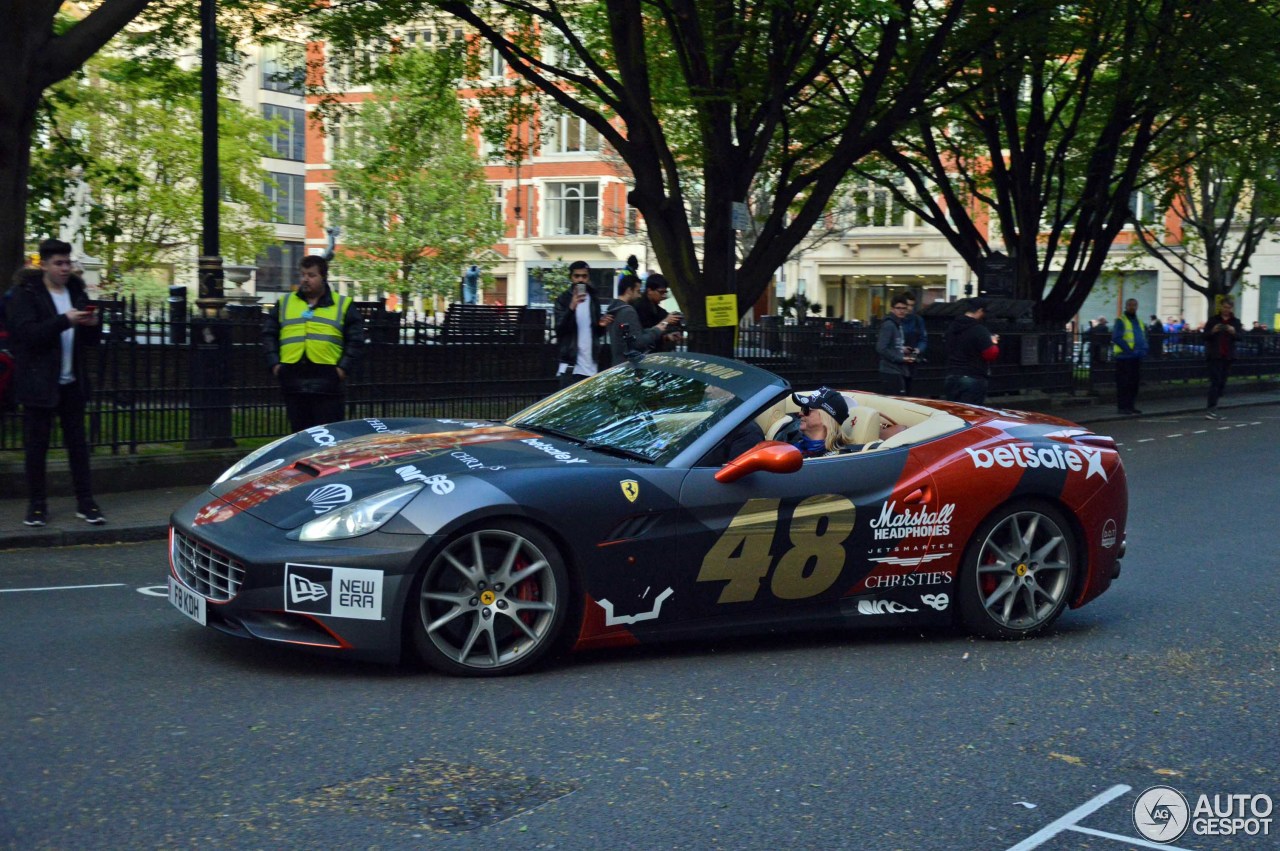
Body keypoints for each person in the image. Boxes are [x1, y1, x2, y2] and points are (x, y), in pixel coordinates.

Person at [6, 238, 105, 526]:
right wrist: (65, 320)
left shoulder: (76, 289)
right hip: (39, 384)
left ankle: (86, 503)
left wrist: (90, 325)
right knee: (37, 448)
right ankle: (37, 506)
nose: (65, 269)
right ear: (45, 265)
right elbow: (27, 335)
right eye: (58, 264)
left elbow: (89, 342)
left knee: (78, 446)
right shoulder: (27, 294)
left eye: (68, 263)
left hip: (71, 381)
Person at [262, 255, 364, 434]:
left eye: (311, 275)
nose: (305, 279)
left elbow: (356, 341)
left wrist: (342, 369)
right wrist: (275, 365)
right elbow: (269, 334)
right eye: (302, 275)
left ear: (323, 277)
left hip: (327, 379)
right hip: (293, 376)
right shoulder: (285, 303)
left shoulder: (343, 305)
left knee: (329, 436)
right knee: (300, 436)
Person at [553, 260, 613, 386]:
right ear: (571, 277)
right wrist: (571, 308)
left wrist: (601, 326)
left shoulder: (593, 299)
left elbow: (597, 334)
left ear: (588, 277)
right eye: (577, 276)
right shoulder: (563, 299)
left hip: (591, 366)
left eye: (584, 276)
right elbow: (559, 330)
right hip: (570, 366)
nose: (580, 279)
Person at [943, 297, 999, 405]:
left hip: (952, 376)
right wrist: (993, 342)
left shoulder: (952, 327)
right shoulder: (979, 330)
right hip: (973, 377)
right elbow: (990, 354)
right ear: (979, 311)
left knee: (954, 415)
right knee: (971, 416)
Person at [606, 274, 673, 363]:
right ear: (629, 290)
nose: (639, 296)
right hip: (628, 365)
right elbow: (638, 343)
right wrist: (658, 329)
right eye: (638, 291)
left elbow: (634, 336)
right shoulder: (628, 311)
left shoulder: (613, 309)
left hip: (617, 362)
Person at [774, 387, 849, 458]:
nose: (800, 413)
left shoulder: (836, 459)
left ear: (825, 419)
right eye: (802, 408)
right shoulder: (794, 443)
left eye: (806, 409)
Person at [1203, 295, 1243, 419]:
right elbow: (1204, 336)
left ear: (1231, 308)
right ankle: (1211, 408)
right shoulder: (1213, 320)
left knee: (1222, 382)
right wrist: (1213, 331)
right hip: (1215, 355)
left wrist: (1233, 331)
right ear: (1221, 307)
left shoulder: (1235, 322)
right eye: (1224, 307)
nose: (1226, 309)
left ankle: (1214, 404)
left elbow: (1241, 337)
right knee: (1215, 381)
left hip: (1228, 356)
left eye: (1228, 307)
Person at [1111, 298, 1149, 415]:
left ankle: (1131, 406)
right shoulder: (1121, 320)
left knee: (1134, 383)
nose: (1132, 307)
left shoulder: (1139, 322)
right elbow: (1116, 337)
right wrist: (1129, 350)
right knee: (1123, 383)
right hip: (1124, 357)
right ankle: (1122, 407)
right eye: (1130, 305)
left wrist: (1144, 348)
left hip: (1136, 357)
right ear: (1126, 307)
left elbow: (1143, 337)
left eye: (1134, 305)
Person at [876, 292, 917, 395]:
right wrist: (901, 358)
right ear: (892, 309)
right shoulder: (889, 325)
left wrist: (902, 349)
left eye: (904, 308)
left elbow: (893, 345)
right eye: (898, 308)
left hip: (897, 370)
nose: (901, 311)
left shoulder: (898, 324)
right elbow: (881, 348)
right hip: (890, 371)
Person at [634, 272, 683, 352]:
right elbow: (645, 336)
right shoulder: (639, 307)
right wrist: (666, 321)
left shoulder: (657, 309)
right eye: (661, 292)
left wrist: (668, 337)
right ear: (649, 290)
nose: (663, 296)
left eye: (665, 292)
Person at [900, 290, 928, 393]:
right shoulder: (896, 320)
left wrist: (918, 349)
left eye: (912, 305)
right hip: (899, 360)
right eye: (907, 305)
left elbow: (923, 339)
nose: (909, 308)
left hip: (913, 361)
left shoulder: (918, 320)